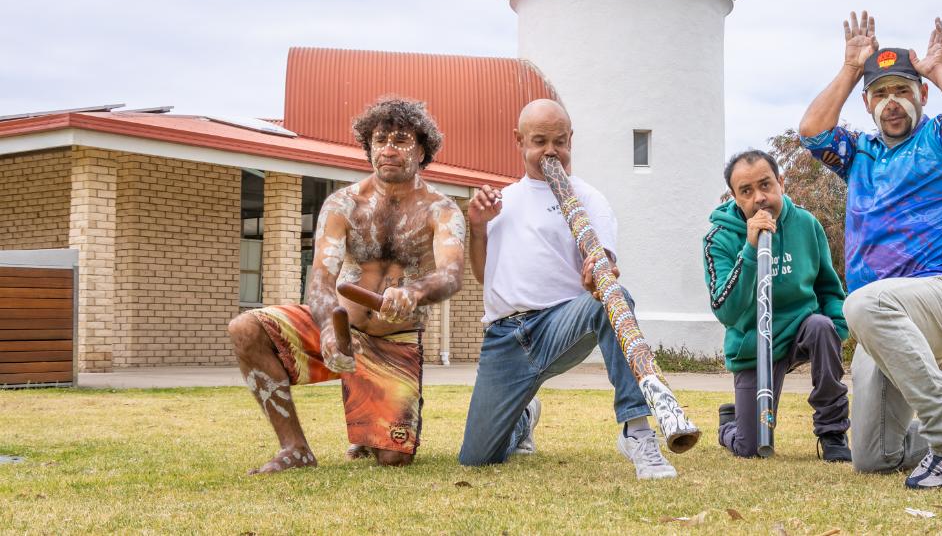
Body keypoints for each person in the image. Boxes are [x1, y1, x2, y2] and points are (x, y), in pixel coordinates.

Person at [798, 11, 942, 489]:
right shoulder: (858, 152)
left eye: (902, 90)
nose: (892, 102)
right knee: (874, 456)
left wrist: (937, 70)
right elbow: (812, 132)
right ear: (867, 104)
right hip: (879, 322)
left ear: (921, 95)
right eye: (880, 93)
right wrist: (848, 68)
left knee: (862, 300)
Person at [227, 97, 465, 474]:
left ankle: (371, 421)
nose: (388, 149)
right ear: (368, 147)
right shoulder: (343, 204)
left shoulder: (441, 209)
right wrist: (325, 328)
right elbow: (321, 277)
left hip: (393, 340)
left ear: (422, 150)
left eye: (401, 140)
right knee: (246, 328)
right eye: (380, 139)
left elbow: (451, 274)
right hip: (342, 328)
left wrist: (413, 292)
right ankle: (295, 448)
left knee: (394, 458)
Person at [457, 98, 677, 480]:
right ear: (519, 141)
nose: (550, 151)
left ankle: (636, 430)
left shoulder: (590, 198)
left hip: (562, 323)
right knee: (476, 459)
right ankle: (522, 421)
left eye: (559, 140)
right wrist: (477, 228)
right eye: (539, 141)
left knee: (614, 298)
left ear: (571, 139)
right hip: (504, 338)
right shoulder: (501, 202)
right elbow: (482, 274)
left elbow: (602, 262)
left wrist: (599, 270)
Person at [702, 149, 852, 461]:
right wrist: (750, 248)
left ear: (780, 182)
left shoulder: (806, 225)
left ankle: (832, 433)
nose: (759, 197)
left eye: (766, 185)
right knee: (751, 448)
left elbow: (828, 288)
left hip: (801, 329)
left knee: (822, 326)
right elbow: (725, 310)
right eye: (746, 191)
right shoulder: (718, 238)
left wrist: (837, 331)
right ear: (734, 197)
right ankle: (730, 425)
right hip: (753, 344)